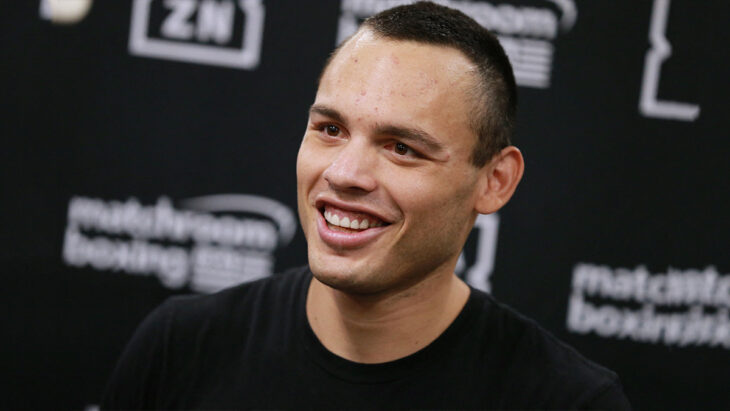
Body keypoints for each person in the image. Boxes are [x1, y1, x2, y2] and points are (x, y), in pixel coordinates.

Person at [102, 2, 631, 409]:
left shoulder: (567, 401)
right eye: (330, 130)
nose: (344, 174)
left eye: (402, 148)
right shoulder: (180, 348)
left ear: (495, 181)